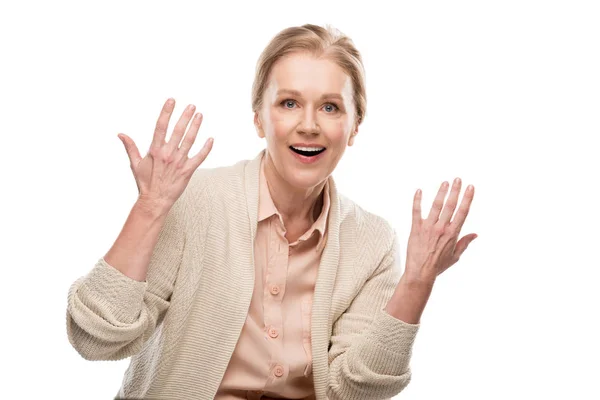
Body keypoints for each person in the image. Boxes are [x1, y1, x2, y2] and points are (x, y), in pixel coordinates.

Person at [66, 24, 476, 400]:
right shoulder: (195, 201)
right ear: (259, 119)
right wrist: (150, 209)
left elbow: (356, 390)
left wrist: (418, 282)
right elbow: (95, 340)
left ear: (354, 127)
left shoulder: (372, 240)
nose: (309, 125)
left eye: (330, 107)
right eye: (289, 103)